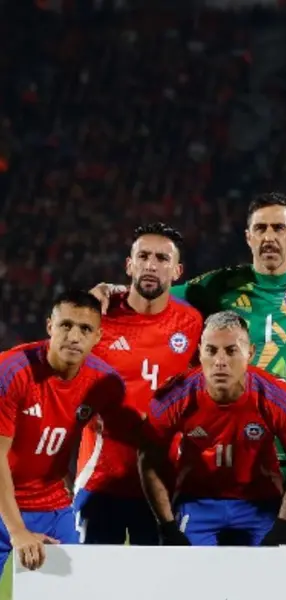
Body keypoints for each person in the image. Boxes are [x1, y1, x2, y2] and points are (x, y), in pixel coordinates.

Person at [92, 192, 286, 546]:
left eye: (278, 228)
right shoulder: (219, 285)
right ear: (248, 236)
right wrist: (114, 289)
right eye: (260, 228)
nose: (269, 236)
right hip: (234, 458)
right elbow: (155, 292)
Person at [140, 311, 286, 546]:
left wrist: (285, 522)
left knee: (270, 569)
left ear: (250, 353)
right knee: (187, 569)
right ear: (199, 352)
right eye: (211, 350)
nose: (220, 361)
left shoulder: (278, 397)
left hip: (260, 503)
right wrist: (168, 525)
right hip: (196, 501)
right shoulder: (172, 396)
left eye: (231, 351)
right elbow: (148, 460)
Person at [75, 223, 203, 546]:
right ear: (129, 265)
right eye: (143, 256)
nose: (151, 265)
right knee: (93, 578)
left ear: (177, 271)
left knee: (162, 578)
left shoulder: (192, 323)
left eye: (162, 258)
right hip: (100, 483)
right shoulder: (98, 316)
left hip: (162, 487)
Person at [0, 291, 142, 571]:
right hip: (4, 504)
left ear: (98, 337)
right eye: (66, 325)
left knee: (76, 584)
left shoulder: (104, 383)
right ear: (49, 326)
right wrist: (17, 531)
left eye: (85, 329)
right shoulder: (11, 370)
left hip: (52, 506)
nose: (74, 337)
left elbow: (129, 437)